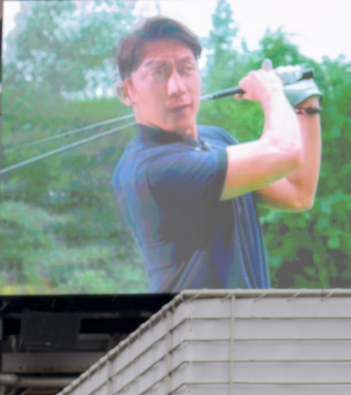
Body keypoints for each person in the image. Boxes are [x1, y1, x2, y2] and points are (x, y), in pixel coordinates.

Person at [109, 15, 319, 293]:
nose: (177, 88)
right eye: (158, 73)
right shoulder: (151, 169)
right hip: (193, 322)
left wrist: (305, 102)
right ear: (127, 92)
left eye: (186, 69)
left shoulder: (215, 139)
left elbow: (298, 193)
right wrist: (272, 92)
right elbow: (285, 151)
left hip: (244, 320)